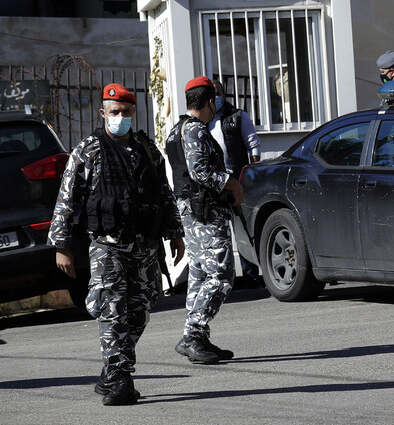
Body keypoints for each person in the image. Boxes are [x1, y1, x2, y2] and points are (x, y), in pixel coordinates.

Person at [49, 83, 185, 405]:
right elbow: (67, 198)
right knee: (112, 311)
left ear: (133, 112)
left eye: (125, 112)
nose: (120, 117)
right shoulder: (88, 150)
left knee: (139, 312)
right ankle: (121, 379)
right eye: (114, 112)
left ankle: (111, 370)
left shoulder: (147, 150)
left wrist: (175, 232)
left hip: (144, 246)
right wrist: (62, 244)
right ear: (103, 113)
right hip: (107, 246)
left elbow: (163, 193)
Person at [166, 76, 245, 365]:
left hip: (194, 213)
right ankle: (193, 335)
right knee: (221, 276)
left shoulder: (178, 130)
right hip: (206, 213)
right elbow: (200, 173)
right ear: (211, 101)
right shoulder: (195, 131)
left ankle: (195, 336)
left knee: (200, 275)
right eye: (216, 101)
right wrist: (233, 185)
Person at [209, 79, 262, 287]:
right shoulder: (202, 121)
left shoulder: (237, 117)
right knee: (219, 233)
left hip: (238, 182)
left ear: (224, 94)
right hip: (216, 184)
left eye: (217, 92)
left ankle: (251, 275)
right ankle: (225, 279)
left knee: (244, 229)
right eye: (211, 93)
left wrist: (250, 174)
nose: (215, 97)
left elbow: (253, 145)